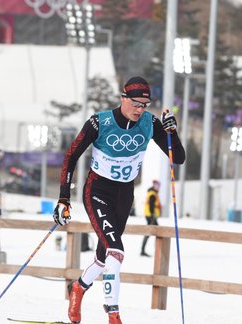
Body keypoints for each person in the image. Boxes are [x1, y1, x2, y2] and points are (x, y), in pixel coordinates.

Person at [52, 76, 186, 324]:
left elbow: (177, 157)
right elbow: (71, 156)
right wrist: (63, 198)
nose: (140, 109)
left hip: (124, 196)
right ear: (123, 98)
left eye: (145, 105)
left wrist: (172, 132)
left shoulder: (149, 123)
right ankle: (113, 315)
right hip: (97, 191)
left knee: (104, 258)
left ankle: (79, 288)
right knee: (116, 251)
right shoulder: (99, 122)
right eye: (136, 103)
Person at [141, 180, 161, 257]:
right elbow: (151, 205)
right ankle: (157, 251)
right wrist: (152, 214)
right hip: (151, 216)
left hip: (149, 215)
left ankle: (144, 250)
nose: (159, 188)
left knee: (153, 232)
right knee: (158, 232)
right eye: (158, 186)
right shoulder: (152, 194)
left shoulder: (152, 193)